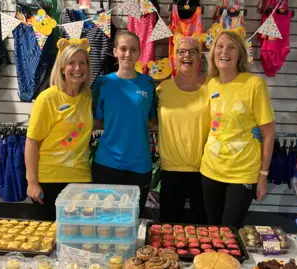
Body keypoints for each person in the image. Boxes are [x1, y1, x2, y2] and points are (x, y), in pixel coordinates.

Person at [200, 31, 275, 227]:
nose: (224, 51)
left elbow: (268, 135)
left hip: (243, 172)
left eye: (231, 47)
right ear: (213, 52)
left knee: (230, 233)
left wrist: (263, 176)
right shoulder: (211, 85)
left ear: (240, 55)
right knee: (212, 230)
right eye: (220, 46)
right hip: (210, 169)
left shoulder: (254, 84)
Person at [25, 41, 93, 221]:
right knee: (50, 239)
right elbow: (32, 142)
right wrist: (32, 183)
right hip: (50, 181)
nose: (77, 68)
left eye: (82, 62)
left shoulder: (88, 97)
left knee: (77, 237)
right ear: (62, 67)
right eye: (71, 62)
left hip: (81, 178)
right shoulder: (47, 98)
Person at [92, 30, 157, 217]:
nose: (128, 54)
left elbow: (152, 121)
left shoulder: (148, 83)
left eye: (133, 49)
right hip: (107, 162)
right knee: (105, 218)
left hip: (139, 163)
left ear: (139, 53)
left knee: (132, 217)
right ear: (115, 51)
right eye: (123, 49)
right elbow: (97, 121)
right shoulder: (103, 83)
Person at [156, 36, 208, 224]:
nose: (187, 55)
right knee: (168, 227)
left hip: (205, 170)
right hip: (170, 169)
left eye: (192, 51)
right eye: (181, 51)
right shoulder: (163, 89)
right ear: (174, 57)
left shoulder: (213, 87)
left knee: (204, 228)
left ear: (200, 57)